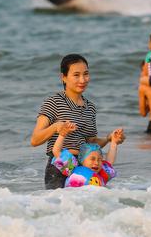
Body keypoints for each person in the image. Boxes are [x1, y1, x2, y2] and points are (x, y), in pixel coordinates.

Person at [31, 54, 125, 189]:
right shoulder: (53, 102)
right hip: (60, 166)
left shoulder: (90, 107)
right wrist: (56, 127)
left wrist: (110, 138)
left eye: (86, 74)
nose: (82, 80)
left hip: (85, 167)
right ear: (64, 77)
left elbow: (91, 143)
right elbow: (34, 140)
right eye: (76, 75)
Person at [51, 123, 122, 188]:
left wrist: (113, 142)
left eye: (100, 160)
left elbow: (110, 162)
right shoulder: (73, 168)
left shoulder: (102, 175)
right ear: (82, 159)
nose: (96, 163)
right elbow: (56, 151)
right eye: (92, 159)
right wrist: (63, 134)